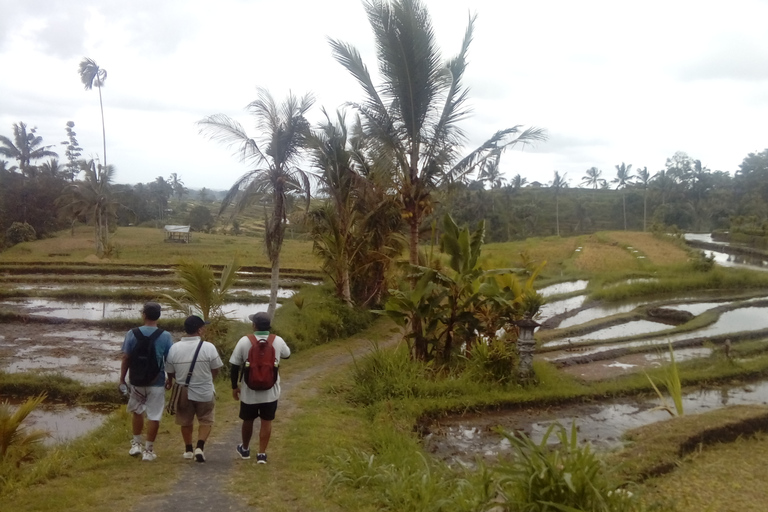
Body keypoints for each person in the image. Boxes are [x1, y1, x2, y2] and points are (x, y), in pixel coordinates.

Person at [230, 312, 290, 463]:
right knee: (266, 421)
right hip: (271, 391)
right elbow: (287, 355)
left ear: (254, 325)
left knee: (248, 420)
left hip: (249, 391)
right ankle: (262, 454)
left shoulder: (244, 341)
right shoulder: (277, 340)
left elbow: (234, 366)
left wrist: (234, 387)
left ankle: (245, 449)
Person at [119, 302, 174, 461]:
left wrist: (122, 378)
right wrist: (169, 379)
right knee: (154, 415)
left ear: (144, 315)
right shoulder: (165, 336)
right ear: (159, 316)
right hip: (156, 381)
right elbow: (168, 360)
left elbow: (126, 357)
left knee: (137, 411)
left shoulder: (132, 333)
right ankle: (148, 451)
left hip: (136, 380)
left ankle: (136, 444)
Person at [165, 315, 223, 463]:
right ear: (199, 330)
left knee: (185, 420)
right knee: (206, 419)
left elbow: (170, 371)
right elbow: (216, 369)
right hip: (204, 389)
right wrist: (208, 379)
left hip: (183, 390)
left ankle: (188, 449)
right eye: (203, 327)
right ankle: (200, 447)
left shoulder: (174, 348)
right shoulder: (208, 347)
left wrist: (173, 380)